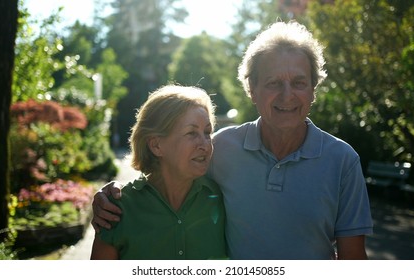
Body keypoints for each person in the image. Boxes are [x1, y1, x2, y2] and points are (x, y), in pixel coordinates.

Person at [92, 21, 373, 260]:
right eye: (274, 82)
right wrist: (113, 195)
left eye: (299, 82)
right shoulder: (222, 147)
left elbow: (353, 260)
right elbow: (168, 172)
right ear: (251, 88)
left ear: (313, 89)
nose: (288, 95)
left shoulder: (342, 161)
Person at [90, 84, 227, 259]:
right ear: (156, 145)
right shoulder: (117, 209)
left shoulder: (221, 198)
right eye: (191, 133)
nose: (205, 144)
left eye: (207, 132)